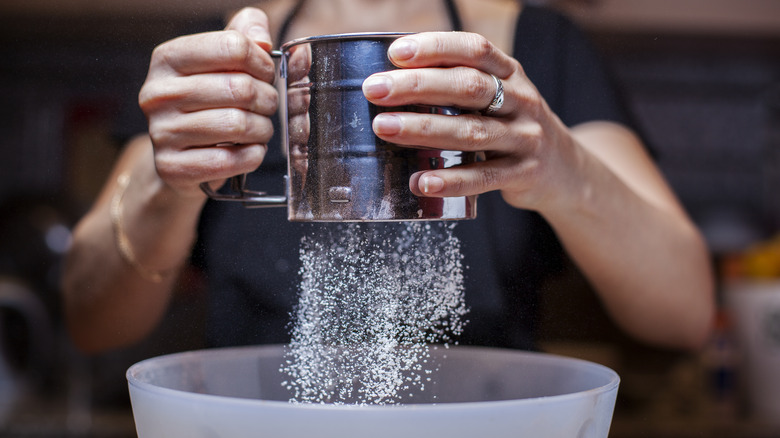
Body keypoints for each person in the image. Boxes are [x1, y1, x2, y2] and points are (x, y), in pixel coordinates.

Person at [61, 0, 715, 354]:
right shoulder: (221, 59)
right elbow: (91, 320)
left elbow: (684, 313)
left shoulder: (535, 45)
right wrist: (166, 175)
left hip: (485, 418)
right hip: (260, 416)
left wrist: (560, 166)